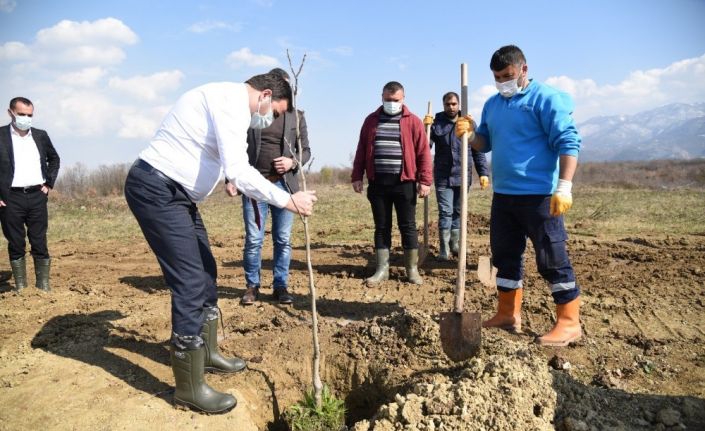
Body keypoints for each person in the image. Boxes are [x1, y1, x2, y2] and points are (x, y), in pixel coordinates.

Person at [124, 72, 317, 414]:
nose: (271, 120)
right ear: (265, 95)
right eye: (274, 112)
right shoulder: (230, 104)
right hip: (157, 191)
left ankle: (208, 353)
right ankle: (189, 388)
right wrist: (288, 201)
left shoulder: (230, 102)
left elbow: (229, 163)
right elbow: (240, 171)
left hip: (178, 196)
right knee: (189, 280)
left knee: (207, 269)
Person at [456, 45, 582, 347]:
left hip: (540, 196)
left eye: (508, 76)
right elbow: (485, 143)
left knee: (552, 258)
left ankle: (569, 322)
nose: (503, 82)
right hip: (504, 196)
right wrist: (471, 135)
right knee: (505, 256)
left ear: (523, 69)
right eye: (498, 77)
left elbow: (569, 142)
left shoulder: (545, 99)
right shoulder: (493, 105)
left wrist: (564, 186)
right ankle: (508, 314)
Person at [226, 68, 311, 306]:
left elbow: (306, 151)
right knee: (254, 238)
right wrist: (230, 178)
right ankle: (252, 286)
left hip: (285, 187)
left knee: (282, 238)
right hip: (254, 185)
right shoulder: (253, 114)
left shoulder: (297, 116)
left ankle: (280, 285)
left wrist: (292, 161)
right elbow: (234, 147)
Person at [351, 81, 432, 285]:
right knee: (382, 226)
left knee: (408, 226)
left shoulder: (413, 122)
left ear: (403, 99)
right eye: (388, 100)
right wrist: (356, 176)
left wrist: (425, 180)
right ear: (382, 97)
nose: (392, 103)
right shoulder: (371, 121)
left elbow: (423, 153)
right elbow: (362, 149)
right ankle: (382, 269)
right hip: (378, 183)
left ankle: (412, 270)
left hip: (404, 183)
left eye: (395, 100)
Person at [0, 97, 60, 293]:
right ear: (11, 113)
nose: (26, 118)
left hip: (36, 196)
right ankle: (21, 287)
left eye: (29, 115)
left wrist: (48, 183)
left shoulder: (41, 136)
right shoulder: (1, 136)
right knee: (16, 242)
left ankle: (43, 286)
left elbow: (54, 159)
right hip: (10, 198)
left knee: (39, 240)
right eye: (22, 114)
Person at [423, 92, 490, 261]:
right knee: (446, 212)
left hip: (463, 175)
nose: (451, 107)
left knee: (459, 212)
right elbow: (425, 148)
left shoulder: (467, 123)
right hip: (443, 176)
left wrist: (483, 173)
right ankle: (444, 249)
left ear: (459, 104)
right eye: (447, 104)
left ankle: (456, 245)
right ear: (443, 105)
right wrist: (426, 130)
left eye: (454, 104)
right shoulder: (436, 123)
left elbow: (478, 150)